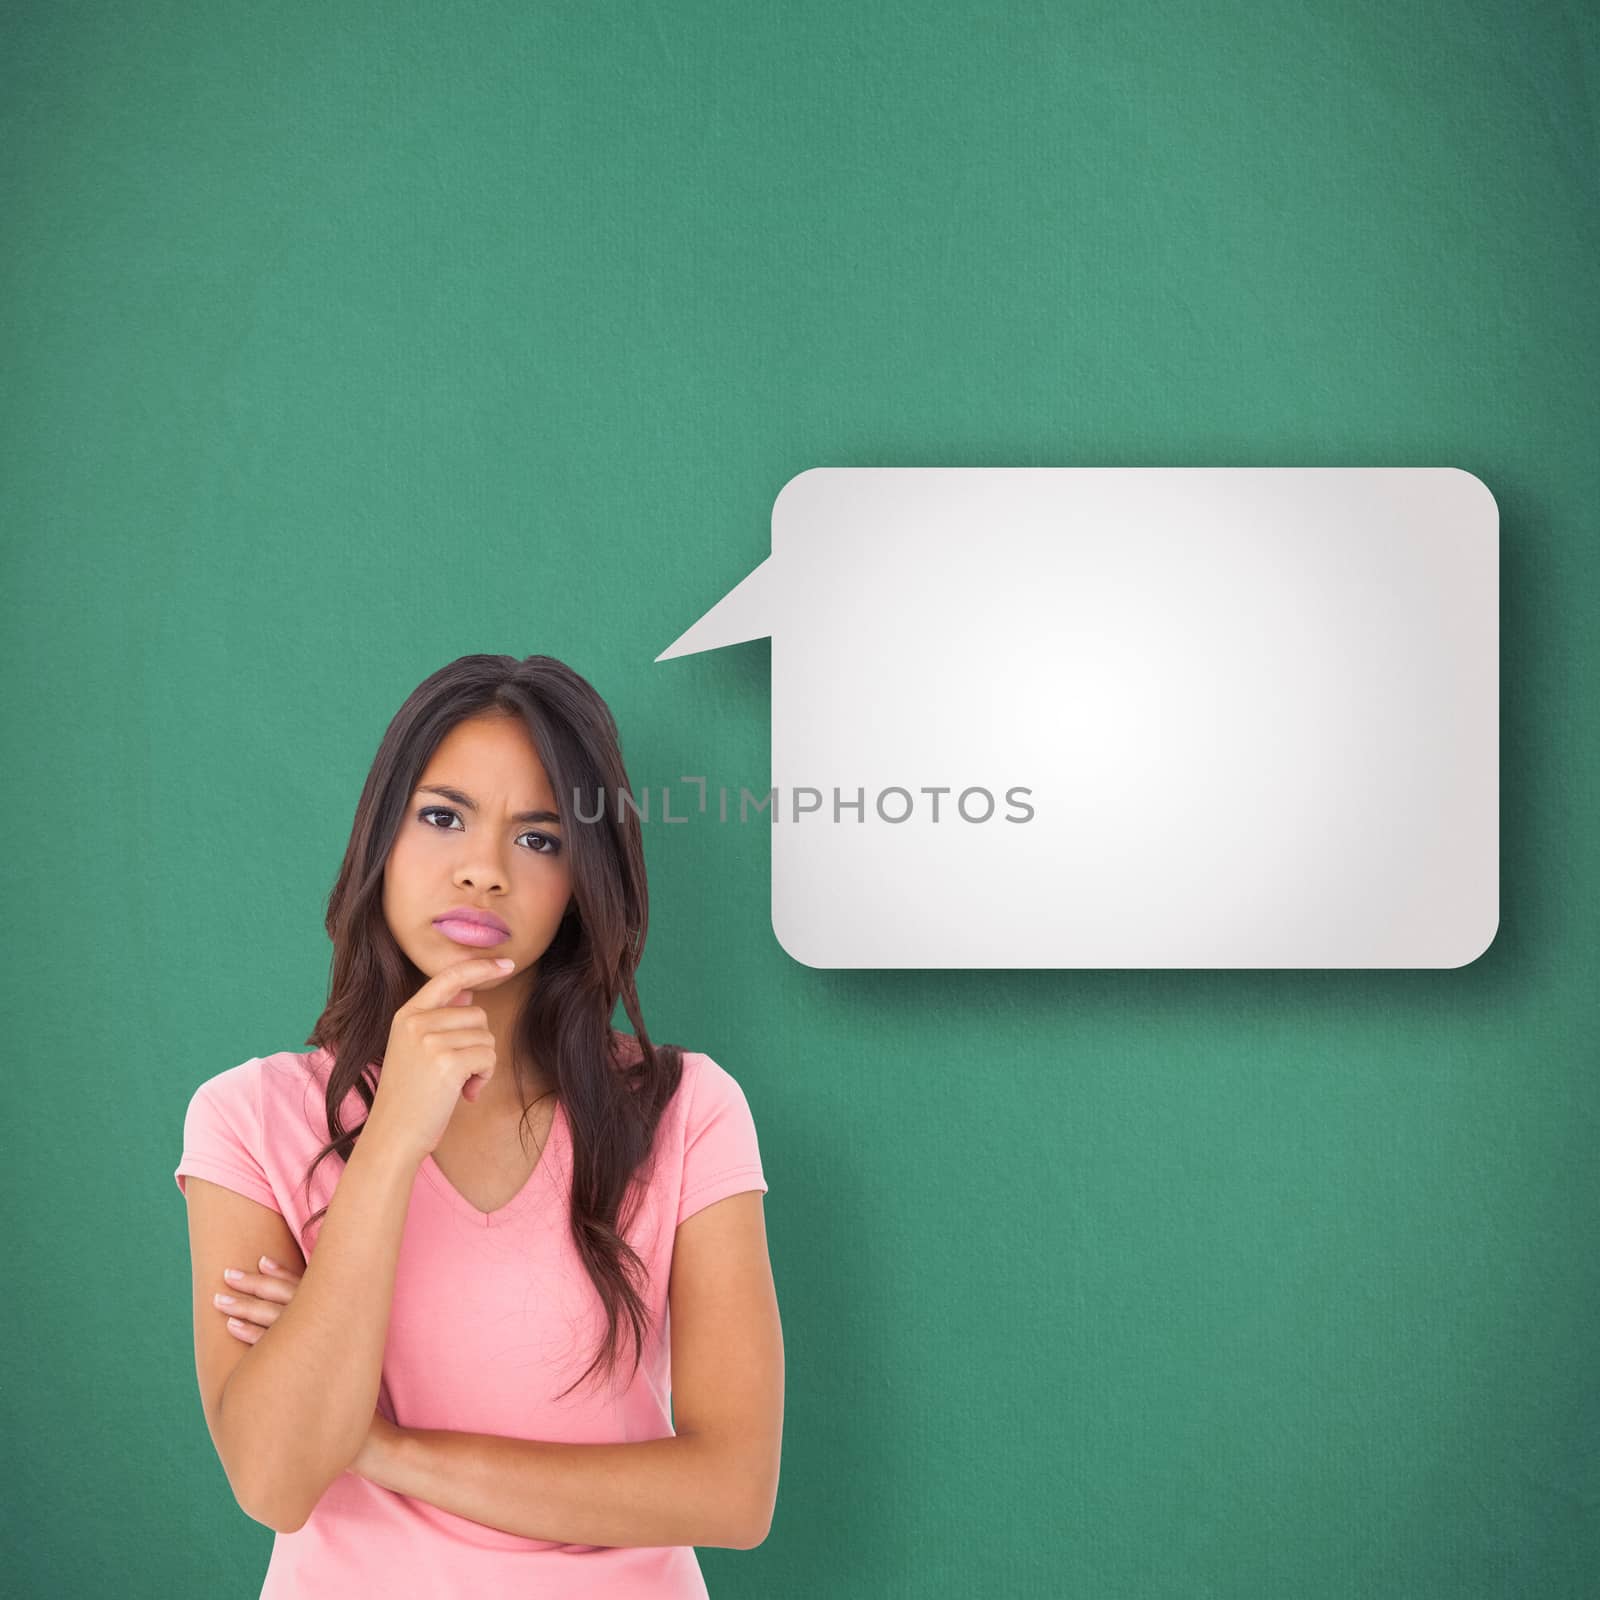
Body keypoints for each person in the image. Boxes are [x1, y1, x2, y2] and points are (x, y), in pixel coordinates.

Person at [174, 653, 783, 1598]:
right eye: (443, 816)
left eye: (538, 840)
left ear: (583, 882)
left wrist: (378, 1447)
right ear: (381, 835)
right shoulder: (249, 1119)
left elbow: (734, 1492)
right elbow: (274, 1477)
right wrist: (389, 1147)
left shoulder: (686, 1111)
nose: (482, 872)